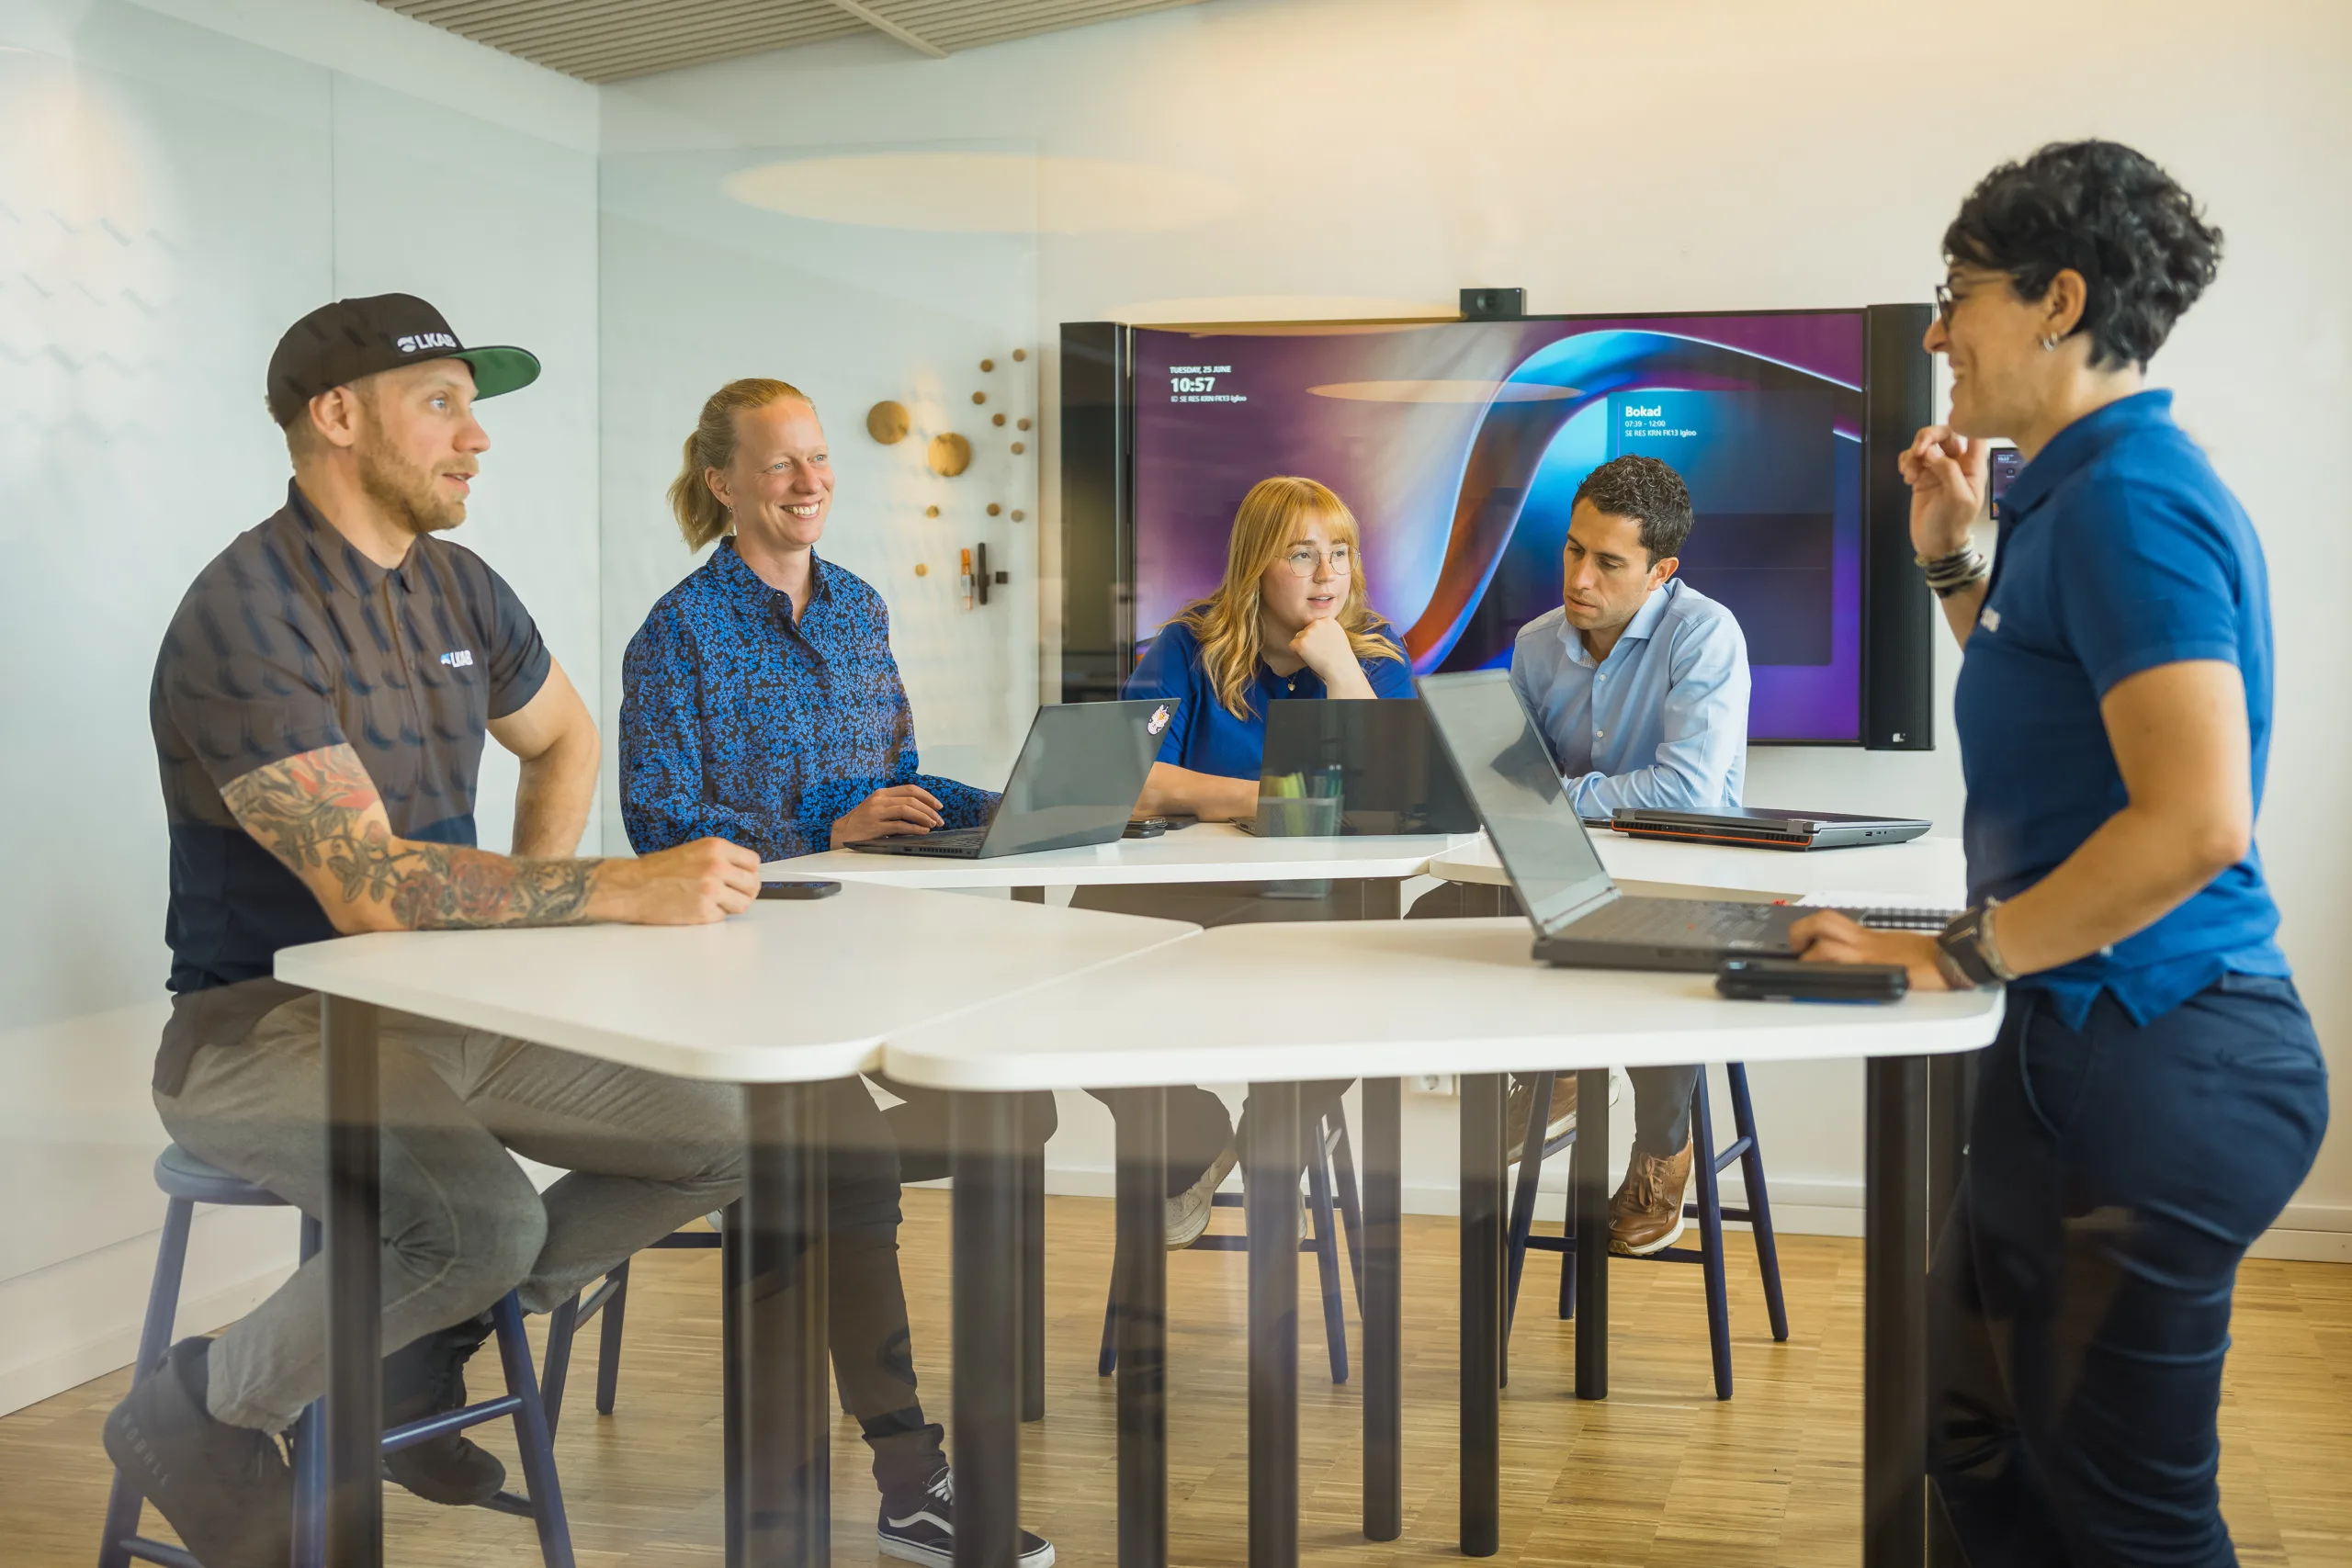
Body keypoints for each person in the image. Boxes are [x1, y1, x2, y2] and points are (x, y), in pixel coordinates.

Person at [105, 295, 764, 1568]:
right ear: (336, 417)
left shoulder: (460, 582)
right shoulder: (246, 611)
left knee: (724, 1133)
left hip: (445, 1018)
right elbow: (365, 885)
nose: (478, 437)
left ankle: (411, 1361)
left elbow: (562, 732)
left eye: (476, 404)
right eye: (443, 403)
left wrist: (520, 926)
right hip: (261, 1030)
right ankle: (198, 1403)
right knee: (480, 1224)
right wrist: (609, 892)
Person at [1791, 141, 2325, 1565]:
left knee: (2124, 1520)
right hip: (2085, 1045)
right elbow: (2062, 710)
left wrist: (1943, 953)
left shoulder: (2131, 499)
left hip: (2154, 1056)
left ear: (2057, 299)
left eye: (1954, 292)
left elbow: (2199, 818)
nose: (1934, 330)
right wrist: (1955, 559)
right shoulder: (2069, 491)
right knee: (1970, 1433)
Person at [618, 377, 1053, 1567]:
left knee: (1019, 1109)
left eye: (818, 460)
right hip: (735, 986)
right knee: (841, 1171)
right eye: (779, 465)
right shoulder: (677, 633)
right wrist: (827, 826)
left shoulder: (859, 608)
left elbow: (895, 777)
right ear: (722, 484)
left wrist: (1031, 805)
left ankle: (887, 1454)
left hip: (867, 959)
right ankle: (907, 1480)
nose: (810, 482)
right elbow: (663, 826)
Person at [1415, 454, 1750, 1256]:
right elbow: (1507, 781)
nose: (1580, 576)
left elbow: (1689, 792)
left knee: (1652, 949)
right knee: (1434, 916)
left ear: (1660, 569)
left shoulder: (1706, 633)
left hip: (1689, 875)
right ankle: (1547, 1068)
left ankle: (1662, 1151)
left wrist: (1557, 795)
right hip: (1565, 872)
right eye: (1574, 550)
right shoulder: (1535, 645)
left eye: (1609, 562)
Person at [1090, 474, 1415, 1246]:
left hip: (1320, 910)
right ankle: (1193, 1130)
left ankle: (1274, 1133)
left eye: (1339, 552)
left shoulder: (1374, 650)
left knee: (1342, 1005)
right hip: (1189, 900)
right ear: (1256, 565)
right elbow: (1129, 783)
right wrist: (1263, 798)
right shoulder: (1185, 645)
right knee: (1068, 982)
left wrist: (1340, 672)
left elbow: (1396, 796)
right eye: (1302, 555)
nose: (1328, 574)